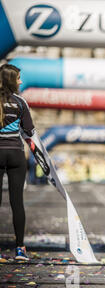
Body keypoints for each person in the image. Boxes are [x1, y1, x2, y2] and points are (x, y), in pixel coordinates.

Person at [0, 64, 35, 261]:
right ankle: (20, 249)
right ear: (12, 80)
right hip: (15, 154)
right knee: (17, 203)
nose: (21, 81)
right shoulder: (21, 102)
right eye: (19, 78)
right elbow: (29, 131)